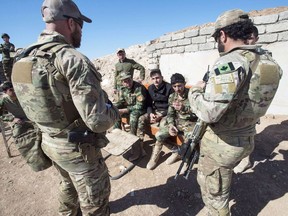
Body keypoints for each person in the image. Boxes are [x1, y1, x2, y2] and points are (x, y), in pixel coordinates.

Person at [11, 0, 119, 215]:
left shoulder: (23, 58)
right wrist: (113, 111)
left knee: (68, 186)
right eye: (80, 24)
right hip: (77, 150)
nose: (81, 30)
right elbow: (97, 121)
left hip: (49, 143)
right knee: (95, 202)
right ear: (71, 23)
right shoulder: (71, 60)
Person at [188, 9, 282, 215]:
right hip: (246, 137)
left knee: (215, 198)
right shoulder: (268, 61)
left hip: (223, 145)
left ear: (223, 35)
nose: (217, 44)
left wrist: (194, 91)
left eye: (217, 39)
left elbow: (210, 112)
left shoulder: (231, 63)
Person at [146, 73, 197, 170]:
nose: (177, 89)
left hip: (190, 123)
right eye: (174, 86)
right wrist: (170, 125)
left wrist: (184, 108)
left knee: (190, 141)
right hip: (178, 122)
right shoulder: (172, 96)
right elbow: (170, 114)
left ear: (184, 83)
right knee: (159, 135)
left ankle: (182, 156)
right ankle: (155, 157)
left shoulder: (192, 95)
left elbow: (198, 113)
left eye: (179, 86)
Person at [234, 25, 259, 174]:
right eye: (245, 38)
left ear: (256, 38)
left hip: (251, 101)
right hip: (240, 101)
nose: (247, 41)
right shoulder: (243, 56)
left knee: (248, 131)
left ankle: (246, 161)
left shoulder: (258, 56)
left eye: (250, 37)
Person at [113, 71, 148, 161]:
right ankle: (117, 137)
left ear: (131, 79)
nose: (127, 83)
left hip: (141, 109)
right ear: (122, 82)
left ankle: (135, 147)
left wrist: (125, 110)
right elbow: (121, 101)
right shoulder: (122, 88)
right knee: (115, 113)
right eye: (125, 81)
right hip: (130, 108)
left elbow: (140, 106)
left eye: (129, 80)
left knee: (133, 117)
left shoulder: (138, 88)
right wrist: (114, 107)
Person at [137, 69, 173, 142]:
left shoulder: (169, 88)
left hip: (167, 113)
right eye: (153, 79)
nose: (156, 80)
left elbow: (172, 106)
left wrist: (161, 115)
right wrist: (150, 113)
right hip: (155, 111)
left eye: (157, 78)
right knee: (141, 119)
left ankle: (170, 146)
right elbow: (149, 103)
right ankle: (140, 143)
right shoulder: (151, 88)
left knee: (163, 126)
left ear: (162, 77)